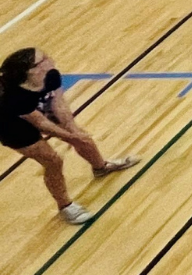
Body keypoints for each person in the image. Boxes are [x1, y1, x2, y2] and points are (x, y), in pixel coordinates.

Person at [2, 48, 138, 225]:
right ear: (32, 70)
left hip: (36, 110)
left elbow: (59, 104)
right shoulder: (13, 96)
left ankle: (101, 167)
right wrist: (71, 137)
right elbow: (41, 124)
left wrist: (73, 130)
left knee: (82, 137)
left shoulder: (51, 75)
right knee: (52, 160)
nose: (49, 58)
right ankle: (65, 206)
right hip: (11, 125)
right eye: (43, 59)